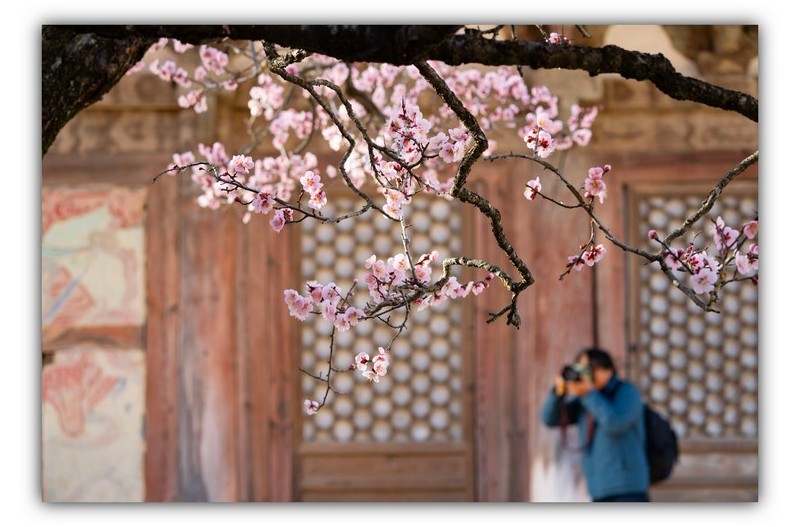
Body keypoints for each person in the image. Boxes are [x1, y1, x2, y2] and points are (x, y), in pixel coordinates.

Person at [541, 347, 650, 502]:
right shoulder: (588, 399)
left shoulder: (626, 392)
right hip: (598, 488)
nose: (587, 375)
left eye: (591, 369)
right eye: (583, 370)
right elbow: (550, 419)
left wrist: (588, 393)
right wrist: (558, 393)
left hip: (627, 488)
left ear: (609, 370)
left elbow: (615, 423)